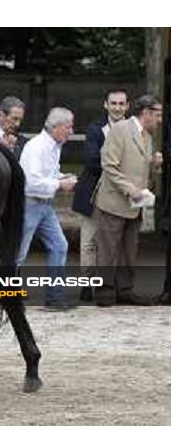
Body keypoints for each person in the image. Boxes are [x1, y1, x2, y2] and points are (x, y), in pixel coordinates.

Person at [93, 95, 163, 307]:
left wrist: (155, 166)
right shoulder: (120, 130)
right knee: (108, 249)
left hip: (135, 205)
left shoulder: (148, 137)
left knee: (129, 250)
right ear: (147, 113)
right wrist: (129, 188)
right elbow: (109, 165)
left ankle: (124, 290)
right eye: (158, 115)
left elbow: (141, 172)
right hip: (114, 202)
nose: (159, 120)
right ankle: (104, 292)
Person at [72, 89, 130, 302]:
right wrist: (117, 167)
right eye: (113, 103)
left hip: (122, 193)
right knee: (90, 240)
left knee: (117, 242)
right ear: (105, 105)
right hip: (94, 192)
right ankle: (87, 284)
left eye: (121, 103)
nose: (117, 107)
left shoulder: (134, 129)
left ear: (127, 106)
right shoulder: (95, 129)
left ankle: (111, 285)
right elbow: (90, 160)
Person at [17, 108, 77, 311]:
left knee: (59, 245)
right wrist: (60, 184)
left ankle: (54, 297)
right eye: (68, 127)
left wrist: (60, 176)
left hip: (43, 205)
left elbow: (44, 175)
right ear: (56, 127)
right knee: (19, 253)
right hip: (29, 203)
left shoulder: (52, 146)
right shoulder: (37, 147)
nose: (71, 131)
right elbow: (31, 182)